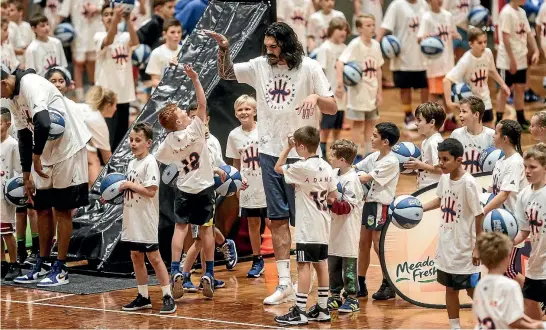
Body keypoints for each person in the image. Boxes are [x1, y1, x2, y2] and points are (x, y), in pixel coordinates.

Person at [204, 22, 337, 305]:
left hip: (303, 155)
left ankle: (311, 277)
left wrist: (315, 97)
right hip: (269, 152)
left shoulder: (310, 68)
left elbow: (333, 106)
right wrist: (224, 50)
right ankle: (285, 283)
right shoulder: (260, 65)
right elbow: (226, 73)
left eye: (274, 46)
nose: (269, 51)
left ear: (288, 45)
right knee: (276, 221)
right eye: (267, 46)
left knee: (305, 222)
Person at [1, 67, 91, 287]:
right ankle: (42, 262)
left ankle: (60, 268)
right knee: (41, 207)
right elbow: (23, 135)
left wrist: (36, 157)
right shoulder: (12, 99)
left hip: (68, 149)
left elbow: (43, 122)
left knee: (61, 209)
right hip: (45, 152)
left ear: (3, 83)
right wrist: (26, 174)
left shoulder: (31, 85)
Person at [154, 64, 219, 300]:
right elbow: (202, 104)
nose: (185, 111)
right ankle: (209, 273)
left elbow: (160, 159)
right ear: (181, 122)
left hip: (184, 188)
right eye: (182, 112)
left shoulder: (169, 142)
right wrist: (195, 79)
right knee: (206, 229)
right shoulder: (196, 128)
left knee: (180, 229)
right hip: (204, 187)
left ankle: (174, 271)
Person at [273, 126, 338, 325]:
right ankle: (323, 308)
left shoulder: (301, 168)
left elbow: (277, 167)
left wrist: (287, 148)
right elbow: (333, 198)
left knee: (303, 266)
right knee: (322, 264)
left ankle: (300, 311)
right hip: (323, 223)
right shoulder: (326, 166)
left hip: (307, 227)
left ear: (300, 146)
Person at [423, 138, 484, 330]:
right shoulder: (444, 178)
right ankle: (455, 327)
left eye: (445, 159)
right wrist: (419, 208)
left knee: (472, 289)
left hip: (464, 247)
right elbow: (441, 200)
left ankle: (486, 322)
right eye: (439, 159)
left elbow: (479, 214)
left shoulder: (468, 183)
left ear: (459, 160)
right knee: (450, 288)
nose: (440, 163)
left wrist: (477, 247)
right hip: (447, 245)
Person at [119, 123, 176, 314]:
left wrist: (129, 185)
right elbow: (132, 188)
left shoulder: (150, 162)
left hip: (146, 219)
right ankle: (143, 296)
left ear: (149, 143)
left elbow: (151, 191)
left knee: (154, 257)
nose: (133, 144)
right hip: (131, 217)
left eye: (138, 140)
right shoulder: (131, 163)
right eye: (131, 140)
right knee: (136, 256)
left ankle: (168, 296)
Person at [355, 122, 400, 300]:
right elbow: (356, 168)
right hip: (368, 204)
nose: (371, 139)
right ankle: (360, 283)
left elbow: (365, 177)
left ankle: (389, 283)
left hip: (381, 205)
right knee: (363, 244)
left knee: (377, 244)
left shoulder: (391, 161)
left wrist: (349, 177)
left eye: (375, 136)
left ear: (385, 141)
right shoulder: (375, 157)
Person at [225, 94, 268, 278]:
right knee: (252, 222)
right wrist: (236, 185)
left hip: (266, 182)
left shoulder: (264, 130)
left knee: (273, 221)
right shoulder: (234, 135)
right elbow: (236, 163)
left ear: (255, 111)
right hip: (248, 184)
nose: (244, 112)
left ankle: (285, 261)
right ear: (235, 113)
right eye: (240, 110)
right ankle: (257, 259)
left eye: (247, 109)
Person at [473, 232, 544, 329]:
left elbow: (503, 313)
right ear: (507, 258)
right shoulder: (510, 285)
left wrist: (533, 322)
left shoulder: (480, 284)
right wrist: (538, 325)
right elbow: (514, 321)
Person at [444, 27, 510, 129]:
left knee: (489, 128)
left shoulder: (488, 53)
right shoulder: (466, 61)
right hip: (471, 103)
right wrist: (449, 103)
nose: (483, 45)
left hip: (485, 99)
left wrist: (503, 85)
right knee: (472, 132)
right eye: (479, 43)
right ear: (470, 44)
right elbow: (446, 80)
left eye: (485, 42)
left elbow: (492, 71)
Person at [376, 0, 428, 130]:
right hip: (402, 55)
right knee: (405, 87)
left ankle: (424, 114)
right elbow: (385, 26)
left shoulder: (424, 5)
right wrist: (376, 43)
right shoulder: (397, 5)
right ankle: (408, 115)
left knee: (425, 86)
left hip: (422, 54)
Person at [336, 14, 383, 156]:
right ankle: (356, 155)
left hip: (372, 90)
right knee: (357, 124)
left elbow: (379, 69)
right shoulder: (355, 44)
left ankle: (369, 153)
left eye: (373, 25)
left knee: (370, 123)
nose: (372, 28)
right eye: (368, 25)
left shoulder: (376, 45)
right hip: (358, 91)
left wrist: (380, 92)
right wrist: (340, 83)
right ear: (360, 29)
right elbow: (340, 62)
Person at [326, 139, 364, 313]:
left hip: (348, 227)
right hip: (332, 227)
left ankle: (352, 298)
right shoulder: (333, 173)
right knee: (333, 262)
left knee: (348, 264)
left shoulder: (353, 179)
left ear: (342, 159)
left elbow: (347, 207)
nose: (330, 158)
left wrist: (328, 201)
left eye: (333, 155)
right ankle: (334, 295)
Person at [95, 4, 139, 151]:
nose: (109, 17)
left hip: (124, 92)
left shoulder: (125, 36)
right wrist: (115, 19)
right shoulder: (98, 36)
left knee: (121, 135)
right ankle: (104, 165)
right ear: (101, 19)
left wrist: (127, 20)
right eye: (106, 14)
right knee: (108, 134)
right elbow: (108, 41)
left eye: (111, 14)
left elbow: (136, 42)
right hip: (107, 95)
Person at [513, 143, 546, 321]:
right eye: (525, 167)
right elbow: (524, 231)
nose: (527, 171)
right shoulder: (524, 195)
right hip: (536, 262)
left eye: (533, 167)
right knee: (529, 303)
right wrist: (506, 243)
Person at [496, 0, 540, 129]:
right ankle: (498, 120)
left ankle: (521, 119)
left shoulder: (522, 12)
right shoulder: (506, 13)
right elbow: (505, 39)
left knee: (520, 89)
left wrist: (536, 50)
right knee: (504, 90)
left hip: (520, 58)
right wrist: (512, 60)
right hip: (507, 61)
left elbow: (528, 33)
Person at [315, 17, 348, 157]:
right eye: (340, 29)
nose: (343, 32)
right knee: (326, 127)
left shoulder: (345, 48)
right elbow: (320, 71)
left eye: (345, 29)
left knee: (337, 127)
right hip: (329, 93)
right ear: (331, 30)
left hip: (342, 94)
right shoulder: (325, 48)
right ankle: (322, 154)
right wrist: (323, 92)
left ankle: (336, 153)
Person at [58, 0, 102, 102]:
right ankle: (80, 97)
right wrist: (54, 30)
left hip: (95, 33)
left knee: (92, 63)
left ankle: (94, 94)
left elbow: (105, 7)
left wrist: (97, 9)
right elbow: (63, 13)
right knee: (78, 65)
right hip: (78, 35)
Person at [417, 0, 458, 107]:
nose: (440, 1)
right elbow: (419, 38)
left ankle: (449, 118)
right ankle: (432, 118)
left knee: (447, 91)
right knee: (434, 93)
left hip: (448, 61)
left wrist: (455, 35)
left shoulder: (448, 16)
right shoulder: (426, 17)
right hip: (434, 63)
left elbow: (454, 33)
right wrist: (423, 38)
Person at [404, 102, 445, 190]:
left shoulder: (435, 142)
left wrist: (420, 165)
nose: (416, 123)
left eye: (419, 120)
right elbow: (426, 166)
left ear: (432, 122)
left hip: (433, 188)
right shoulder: (426, 141)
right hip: (424, 187)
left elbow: (441, 170)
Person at [0, 107, 21, 281]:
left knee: (7, 232)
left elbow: (18, 171)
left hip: (5, 195)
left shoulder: (13, 145)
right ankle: (2, 263)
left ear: (7, 124)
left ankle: (14, 264)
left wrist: (14, 191)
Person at [449, 96, 495, 175]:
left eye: (464, 111)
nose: (460, 115)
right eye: (460, 111)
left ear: (476, 114)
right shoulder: (456, 134)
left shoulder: (491, 135)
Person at [83, 86, 115, 186]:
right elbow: (107, 158)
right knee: (93, 160)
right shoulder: (98, 121)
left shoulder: (87, 109)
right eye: (115, 105)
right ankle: (94, 193)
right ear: (108, 105)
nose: (116, 108)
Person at [145, 18, 182, 90]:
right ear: (164, 34)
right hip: (161, 95)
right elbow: (154, 80)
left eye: (179, 32)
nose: (177, 35)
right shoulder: (157, 53)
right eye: (172, 32)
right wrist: (169, 88)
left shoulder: (184, 50)